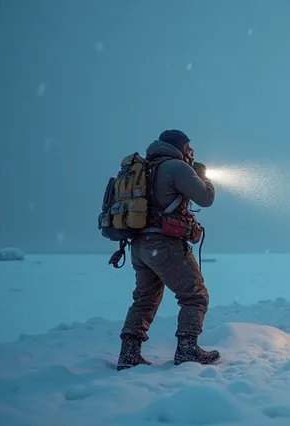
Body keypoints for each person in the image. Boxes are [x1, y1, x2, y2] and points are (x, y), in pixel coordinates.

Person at [116, 129, 220, 371]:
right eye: (189, 148)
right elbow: (206, 198)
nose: (191, 153)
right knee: (195, 295)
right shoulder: (177, 167)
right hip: (164, 245)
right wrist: (202, 176)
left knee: (144, 299)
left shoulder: (145, 168)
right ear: (180, 147)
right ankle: (187, 349)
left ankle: (129, 352)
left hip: (139, 245)